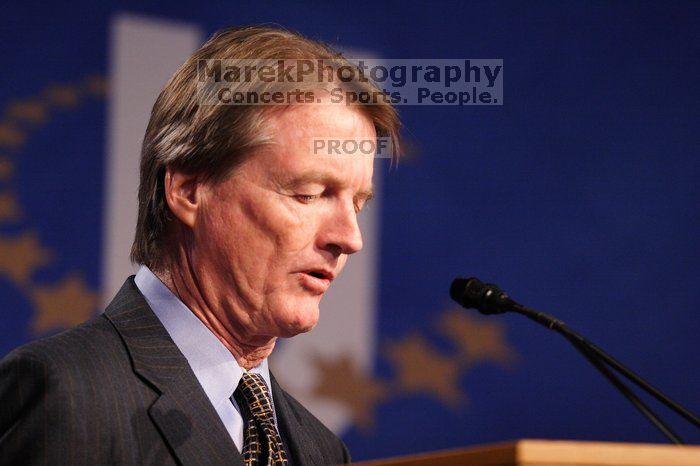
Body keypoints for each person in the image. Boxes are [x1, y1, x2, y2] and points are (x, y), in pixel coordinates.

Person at [0, 25, 399, 465]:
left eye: (358, 205)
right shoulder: (68, 395)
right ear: (189, 190)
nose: (349, 238)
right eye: (308, 194)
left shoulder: (323, 451)